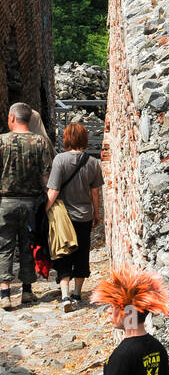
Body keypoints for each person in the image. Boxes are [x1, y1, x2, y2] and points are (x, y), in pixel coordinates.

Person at [46, 122, 103, 312]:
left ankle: (65, 296)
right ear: (84, 139)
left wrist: (44, 210)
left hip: (63, 217)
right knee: (82, 253)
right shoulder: (93, 163)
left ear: (67, 138)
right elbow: (95, 193)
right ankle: (78, 293)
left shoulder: (59, 160)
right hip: (84, 216)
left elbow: (53, 190)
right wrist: (97, 213)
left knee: (63, 252)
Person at [0, 101, 52, 309]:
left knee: (4, 246)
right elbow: (47, 177)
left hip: (5, 202)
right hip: (32, 202)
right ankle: (27, 291)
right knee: (28, 245)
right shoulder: (40, 142)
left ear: (12, 118)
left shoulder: (1, 142)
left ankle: (5, 293)